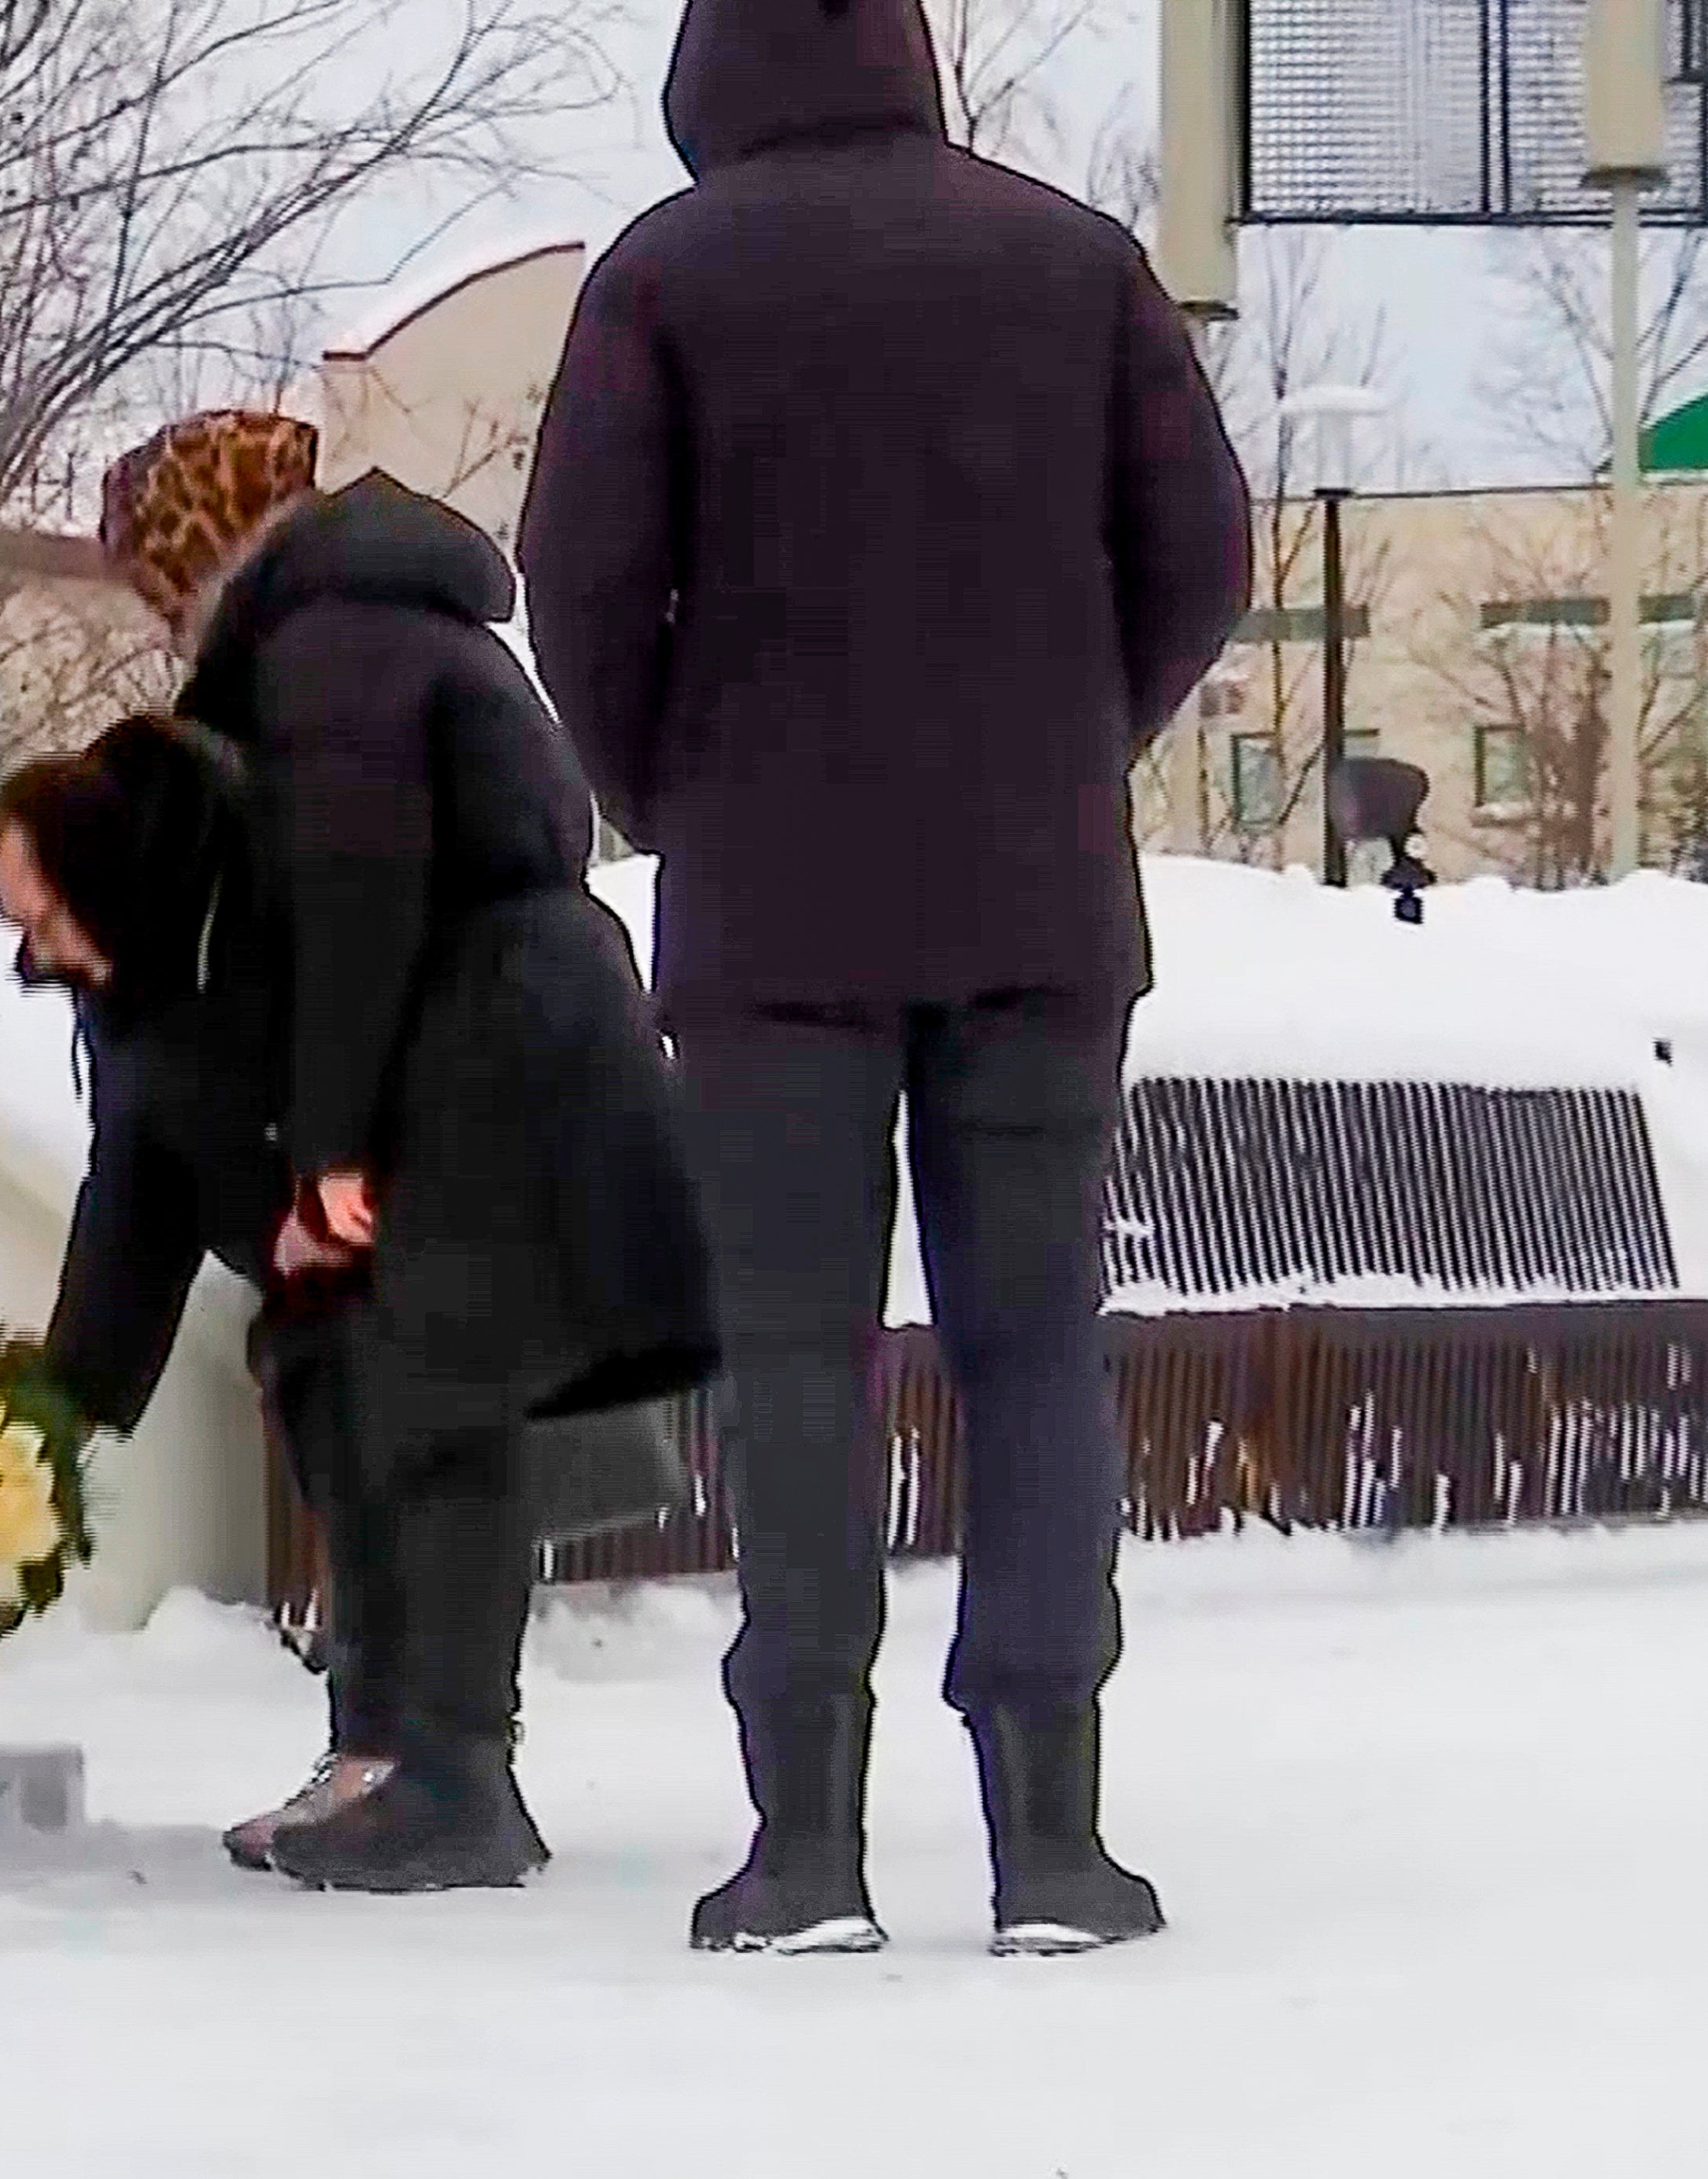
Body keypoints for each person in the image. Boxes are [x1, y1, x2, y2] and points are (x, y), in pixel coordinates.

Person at [515, 0, 1254, 1956]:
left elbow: (579, 586)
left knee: (792, 1358)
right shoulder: (1070, 260)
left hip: (771, 919)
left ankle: (805, 1847)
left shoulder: (661, 279)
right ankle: (1055, 1843)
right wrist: (1074, 736)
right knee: (1030, 1346)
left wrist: (666, 784)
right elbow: (1200, 553)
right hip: (1034, 912)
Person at [0, 419, 720, 1893]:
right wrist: (54, 1414)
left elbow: (360, 897)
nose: (159, 616)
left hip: (500, 1057)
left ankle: (447, 1773)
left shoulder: (339, 645)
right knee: (333, 1358)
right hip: (465, 1049)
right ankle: (387, 1750)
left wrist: (329, 1153)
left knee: (430, 1385)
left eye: (156, 581)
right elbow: (149, 1175)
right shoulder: (307, 674)